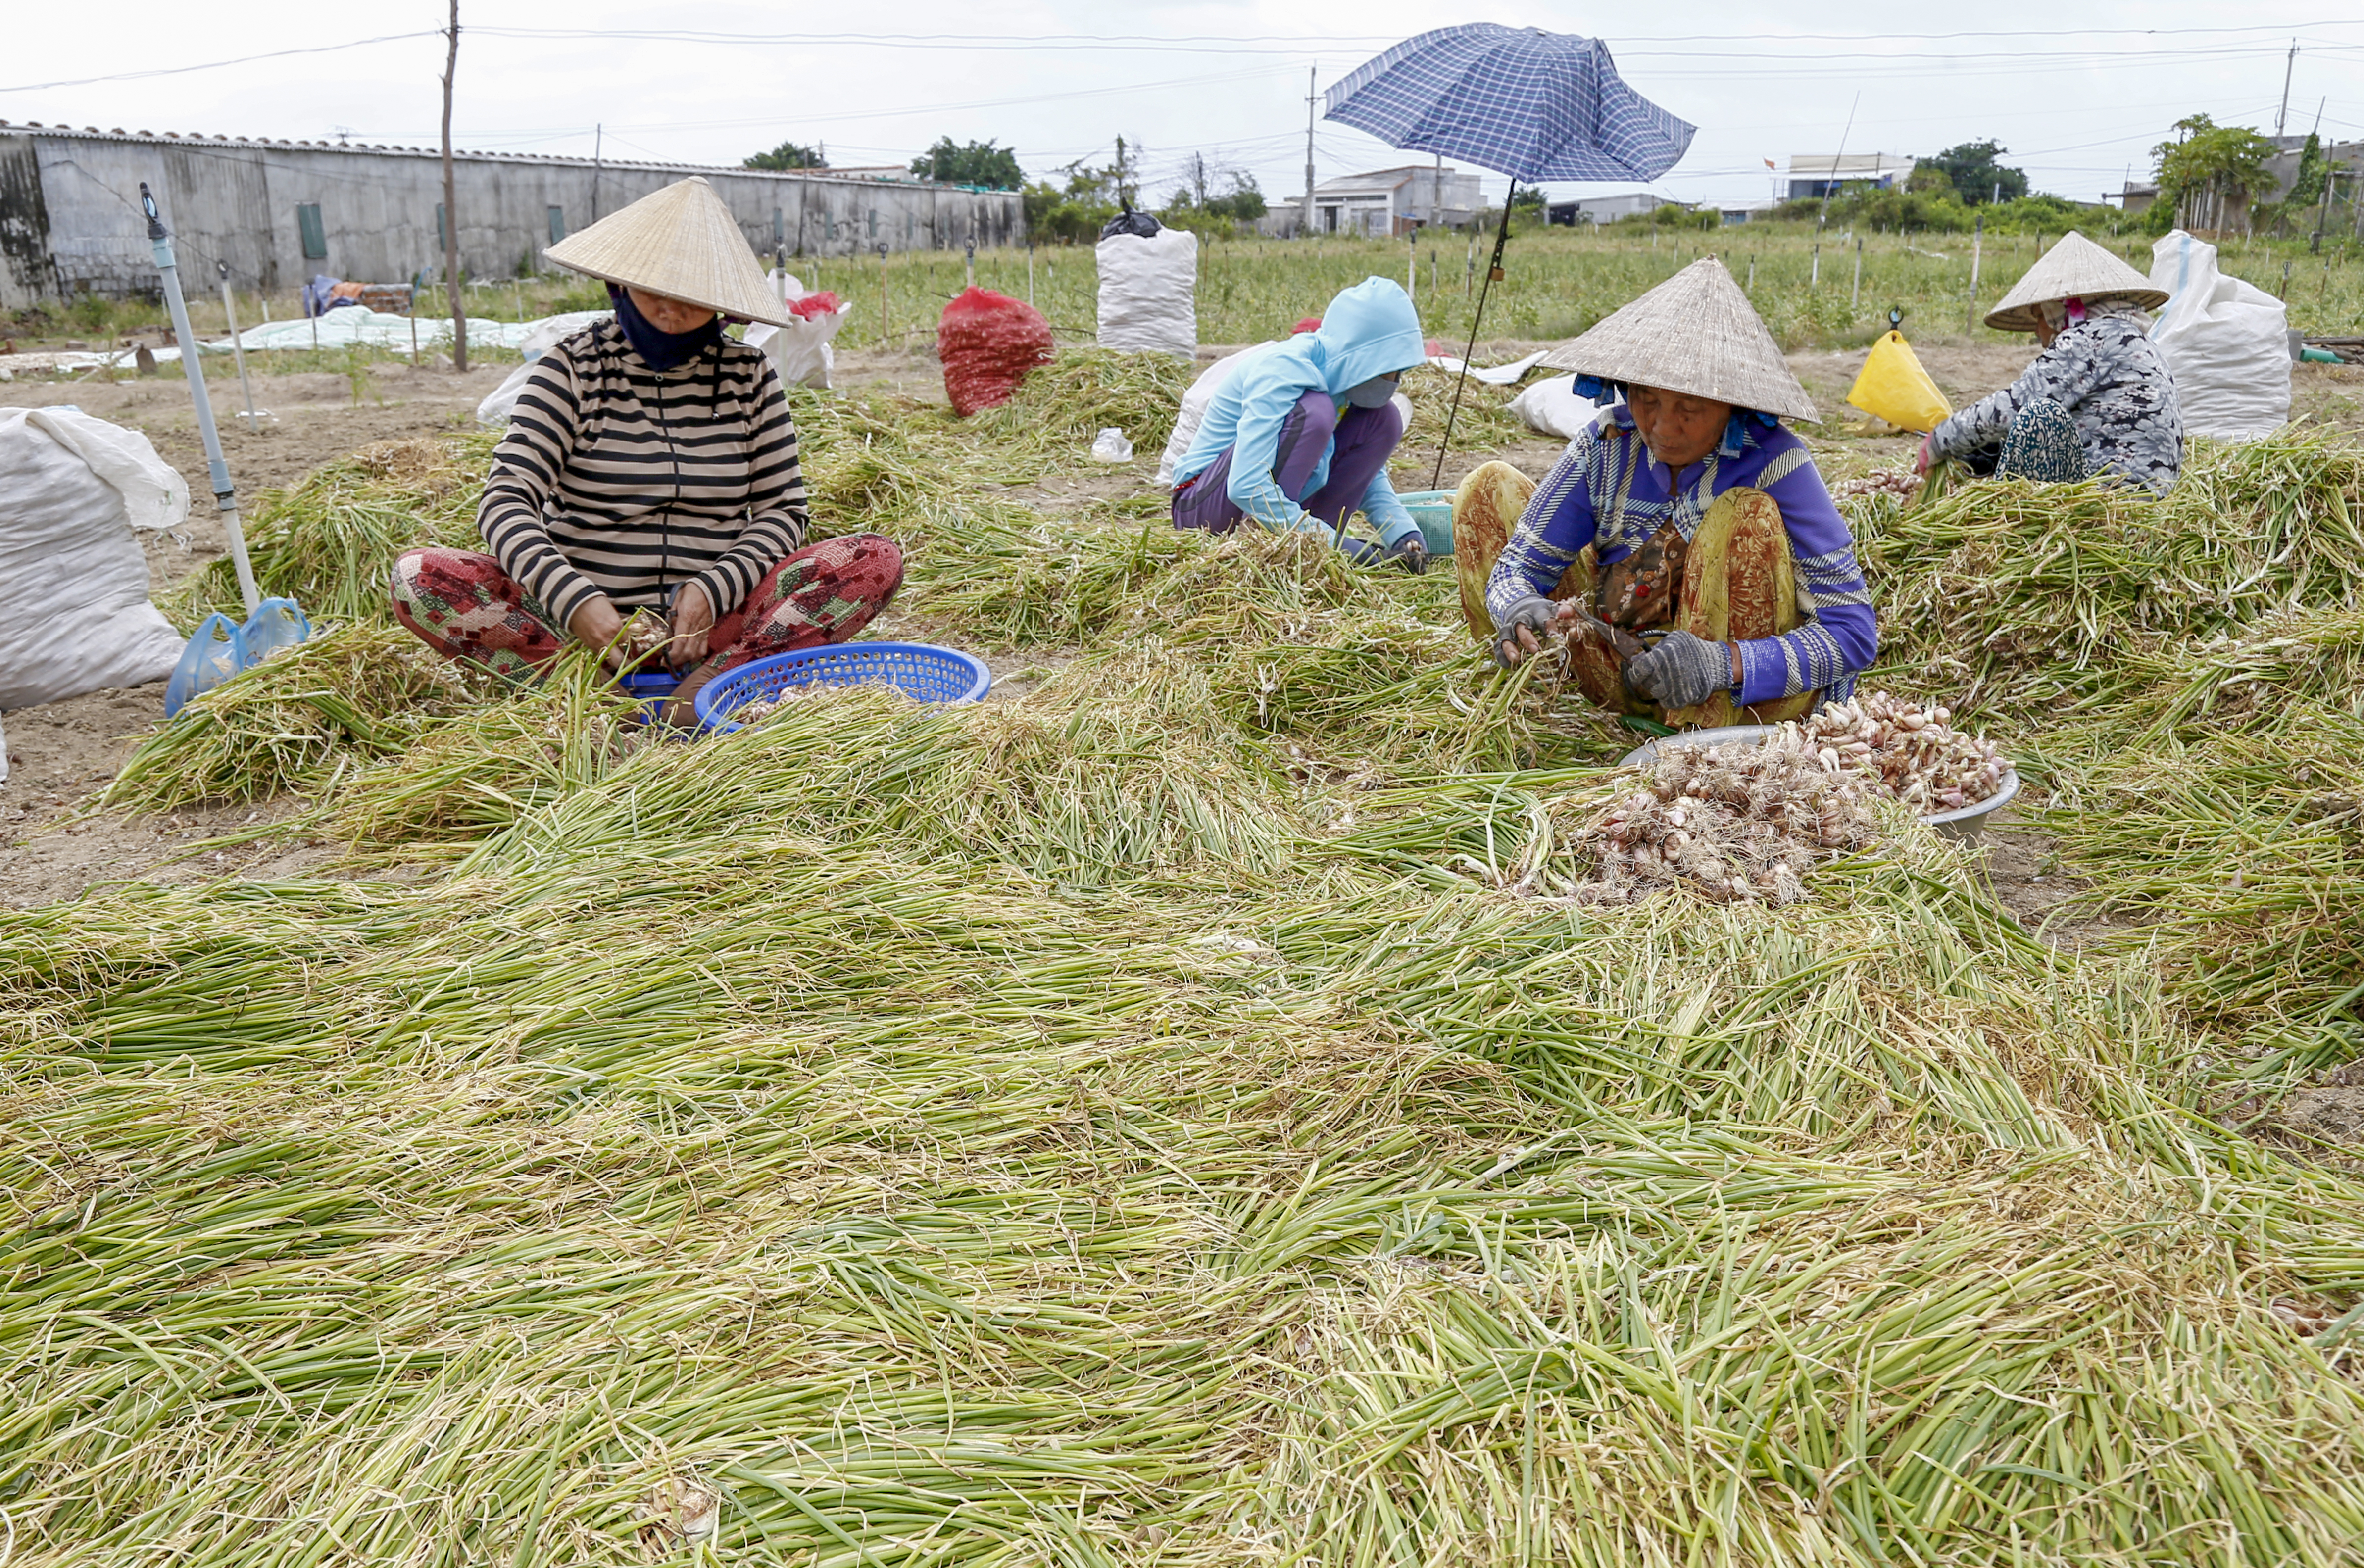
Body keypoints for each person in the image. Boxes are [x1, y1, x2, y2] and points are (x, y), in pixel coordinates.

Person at [390, 176, 902, 720]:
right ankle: (587, 698)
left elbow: (783, 510)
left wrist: (715, 588)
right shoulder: (570, 370)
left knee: (873, 560)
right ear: (620, 285)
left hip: (716, 625)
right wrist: (577, 602)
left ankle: (710, 690)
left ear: (721, 305)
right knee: (420, 575)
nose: (671, 311)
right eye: (654, 288)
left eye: (692, 297)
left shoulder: (748, 376)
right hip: (582, 627)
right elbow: (507, 500)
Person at [1455, 257, 1875, 730]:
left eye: (1690, 409)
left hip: (1739, 703)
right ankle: (1540, 718)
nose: (1661, 427)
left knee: (1744, 517)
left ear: (1732, 407)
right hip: (1618, 676)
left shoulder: (1777, 464)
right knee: (1489, 490)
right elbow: (1518, 568)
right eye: (1647, 400)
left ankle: (1698, 747)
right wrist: (1517, 605)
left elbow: (1854, 634)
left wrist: (1722, 664)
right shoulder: (1608, 444)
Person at [1169, 278, 1430, 571]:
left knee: (1384, 420)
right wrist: (1345, 548)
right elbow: (1245, 485)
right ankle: (1267, 543)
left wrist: (1404, 534)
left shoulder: (1344, 387)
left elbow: (1369, 475)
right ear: (1364, 358)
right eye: (1391, 369)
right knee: (1315, 414)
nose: (1396, 381)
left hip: (1279, 508)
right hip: (1203, 508)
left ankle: (1301, 549)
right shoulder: (1284, 369)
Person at [1918, 231, 2181, 494]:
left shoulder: (2091, 339)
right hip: (2144, 495)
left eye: (2039, 317)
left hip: (2114, 500)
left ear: (2059, 312)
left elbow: (2014, 406)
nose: (2036, 331)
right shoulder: (2130, 338)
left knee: (2039, 417)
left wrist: (1939, 441)